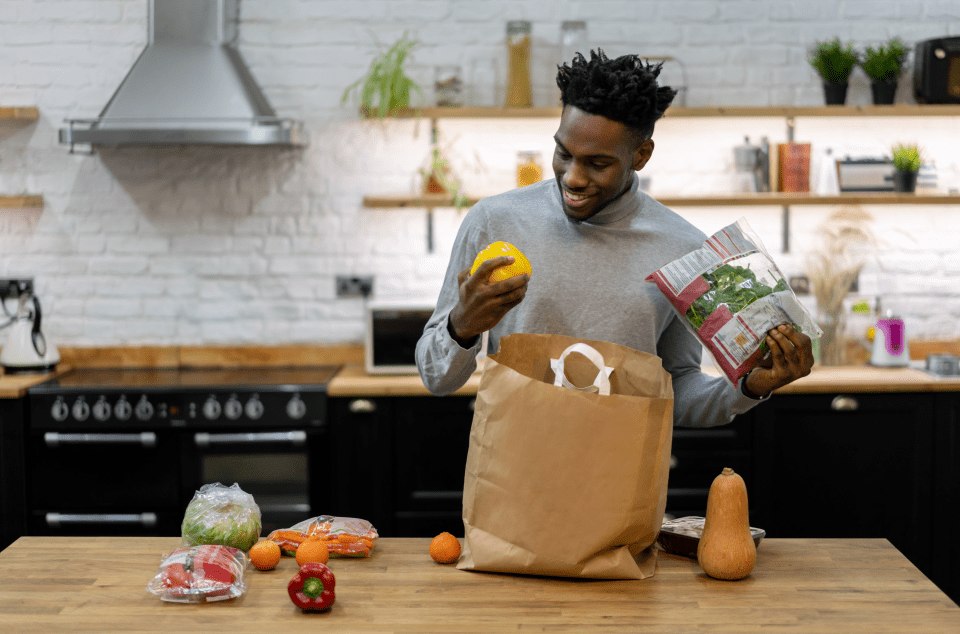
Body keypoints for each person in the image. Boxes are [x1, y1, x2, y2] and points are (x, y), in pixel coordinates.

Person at [415, 50, 813, 427]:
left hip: (624, 479)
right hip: (509, 475)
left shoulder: (683, 250)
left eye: (597, 163)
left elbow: (676, 389)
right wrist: (461, 327)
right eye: (563, 153)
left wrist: (749, 387)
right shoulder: (495, 220)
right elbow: (437, 378)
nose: (572, 177)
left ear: (641, 155)